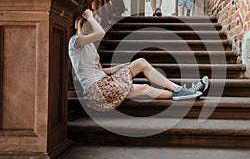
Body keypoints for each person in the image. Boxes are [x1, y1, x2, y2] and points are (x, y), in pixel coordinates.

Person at [68, 9, 209, 112]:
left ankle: (185, 93)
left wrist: (125, 66)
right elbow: (101, 33)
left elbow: (102, 71)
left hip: (105, 85)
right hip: (98, 90)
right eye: (91, 23)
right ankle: (181, 90)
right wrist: (90, 16)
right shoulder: (75, 42)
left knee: (144, 82)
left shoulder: (90, 46)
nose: (93, 24)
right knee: (142, 72)